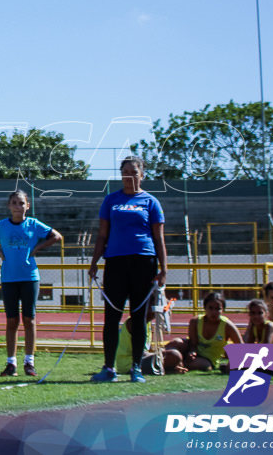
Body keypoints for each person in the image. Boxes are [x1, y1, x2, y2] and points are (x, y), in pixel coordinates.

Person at [87, 155, 167, 384]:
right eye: (125, 172)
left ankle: (136, 368)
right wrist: (93, 263)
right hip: (115, 262)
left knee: (138, 317)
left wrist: (163, 269)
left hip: (144, 261)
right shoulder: (111, 200)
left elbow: (159, 237)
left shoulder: (151, 202)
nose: (129, 176)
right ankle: (108, 368)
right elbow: (102, 234)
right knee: (111, 317)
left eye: (134, 172)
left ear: (142, 175)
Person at [0, 190, 62, 377]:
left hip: (29, 277)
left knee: (29, 319)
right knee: (12, 320)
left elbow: (56, 236)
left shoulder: (34, 224)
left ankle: (29, 362)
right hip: (9, 278)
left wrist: (37, 248)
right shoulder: (2, 226)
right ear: (9, 206)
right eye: (14, 203)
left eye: (21, 203)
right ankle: (11, 364)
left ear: (28, 205)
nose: (18, 207)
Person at [166, 292, 242, 371]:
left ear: (223, 310)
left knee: (204, 366)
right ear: (205, 308)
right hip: (192, 354)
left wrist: (231, 363)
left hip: (208, 361)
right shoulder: (195, 321)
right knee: (177, 342)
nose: (214, 312)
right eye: (210, 308)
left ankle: (175, 364)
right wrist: (192, 351)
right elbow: (193, 343)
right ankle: (158, 358)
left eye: (218, 309)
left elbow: (241, 346)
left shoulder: (227, 326)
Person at [243, 298, 273, 374]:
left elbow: (265, 349)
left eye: (260, 313)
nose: (256, 316)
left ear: (266, 313)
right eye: (253, 313)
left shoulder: (270, 326)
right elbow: (248, 347)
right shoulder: (254, 327)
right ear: (249, 315)